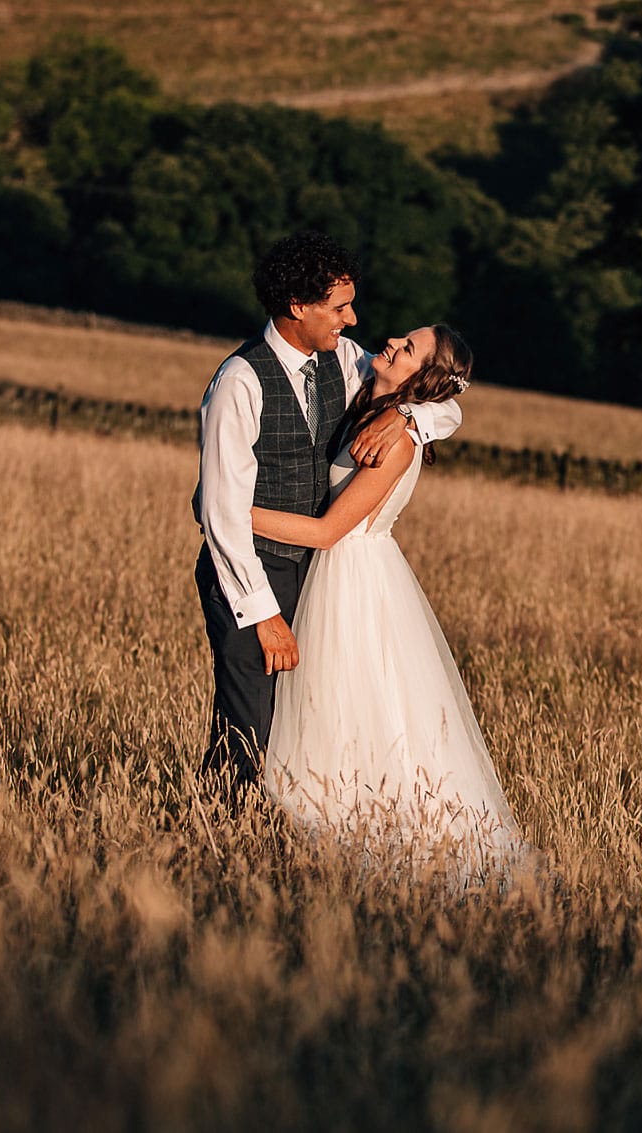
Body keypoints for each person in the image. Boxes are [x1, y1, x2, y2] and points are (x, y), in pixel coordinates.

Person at [193, 231, 460, 799]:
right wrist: (264, 616)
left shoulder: (342, 359)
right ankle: (223, 836)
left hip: (313, 571)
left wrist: (410, 418)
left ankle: (238, 828)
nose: (354, 319)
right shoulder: (239, 383)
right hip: (248, 572)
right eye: (339, 307)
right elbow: (221, 514)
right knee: (250, 719)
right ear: (298, 307)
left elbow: (446, 395)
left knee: (293, 722)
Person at [250, 324, 524, 876]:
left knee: (350, 707)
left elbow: (329, 532)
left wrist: (232, 514)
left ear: (421, 380)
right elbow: (446, 406)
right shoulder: (367, 386)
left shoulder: (398, 439)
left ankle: (357, 840)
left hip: (353, 575)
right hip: (337, 571)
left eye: (410, 349)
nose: (395, 342)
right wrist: (406, 408)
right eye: (406, 335)